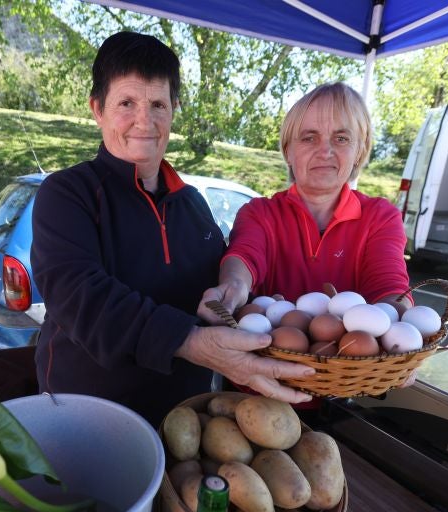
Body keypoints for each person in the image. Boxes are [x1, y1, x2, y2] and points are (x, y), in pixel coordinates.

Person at [30, 31, 314, 427]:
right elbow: (81, 299)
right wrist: (193, 342)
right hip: (88, 419)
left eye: (158, 104)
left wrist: (252, 305)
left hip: (189, 420)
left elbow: (214, 290)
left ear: (173, 110)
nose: (144, 121)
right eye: (126, 103)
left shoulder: (192, 203)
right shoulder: (67, 193)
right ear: (98, 109)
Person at [198, 83, 414, 395]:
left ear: (360, 150)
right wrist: (232, 287)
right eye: (309, 137)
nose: (325, 151)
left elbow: (391, 289)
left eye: (341, 138)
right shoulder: (261, 213)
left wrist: (408, 332)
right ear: (288, 150)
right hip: (261, 388)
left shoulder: (380, 217)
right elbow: (244, 258)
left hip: (350, 393)